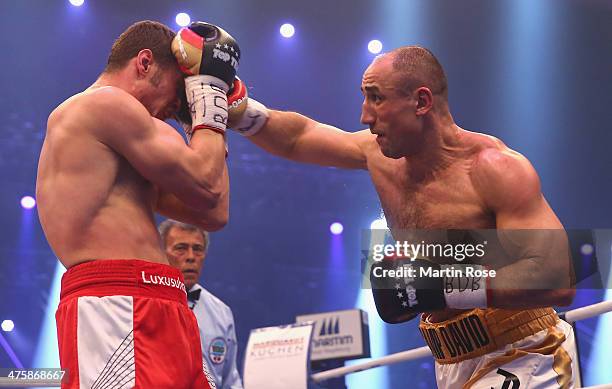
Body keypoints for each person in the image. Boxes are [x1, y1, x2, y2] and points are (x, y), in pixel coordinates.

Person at [225, 46, 577, 388]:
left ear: (421, 102)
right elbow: (299, 137)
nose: (365, 115)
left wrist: (439, 287)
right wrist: (237, 108)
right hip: (451, 359)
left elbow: (557, 278)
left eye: (376, 98)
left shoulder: (495, 169)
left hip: (525, 352)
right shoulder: (378, 155)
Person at [36, 20, 240, 388]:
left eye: (183, 103)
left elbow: (214, 211)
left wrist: (203, 122)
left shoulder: (125, 150)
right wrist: (209, 100)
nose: (173, 109)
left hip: (161, 299)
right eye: (177, 97)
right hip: (117, 303)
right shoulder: (102, 105)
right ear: (144, 63)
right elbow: (207, 183)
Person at [159, 219, 244, 389]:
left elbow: (230, 381)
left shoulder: (221, 312)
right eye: (180, 248)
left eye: (197, 249)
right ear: (161, 252)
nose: (191, 257)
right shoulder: (143, 307)